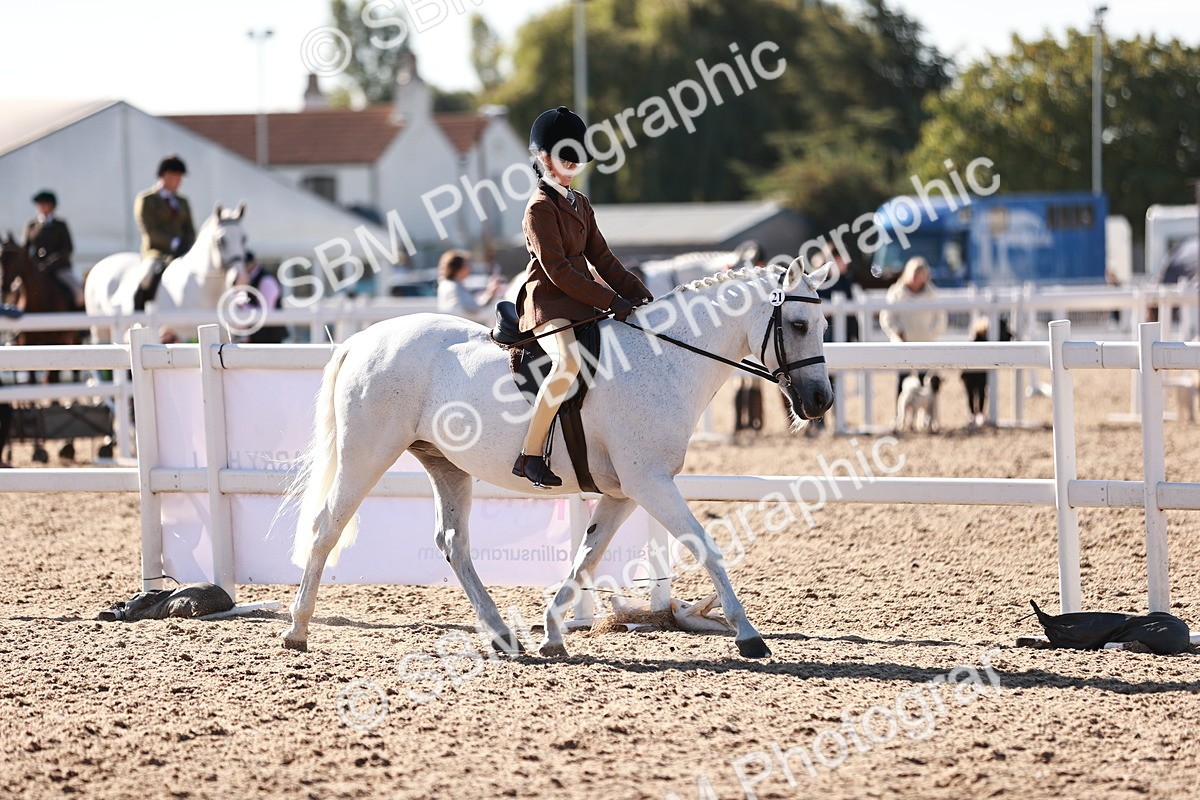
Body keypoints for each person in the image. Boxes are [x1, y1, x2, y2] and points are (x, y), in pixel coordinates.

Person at [512, 106, 653, 488]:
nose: (572, 165)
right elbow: (558, 270)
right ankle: (530, 453)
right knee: (569, 363)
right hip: (548, 303)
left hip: (579, 300)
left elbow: (603, 259)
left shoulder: (580, 204)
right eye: (564, 158)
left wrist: (643, 297)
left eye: (576, 159)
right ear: (543, 159)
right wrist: (610, 302)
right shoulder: (539, 208)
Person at [132, 155, 196, 311]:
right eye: (176, 177)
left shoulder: (183, 202)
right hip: (156, 252)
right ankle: (139, 311)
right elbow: (149, 230)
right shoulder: (147, 199)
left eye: (180, 178)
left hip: (183, 252)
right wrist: (174, 243)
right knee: (146, 277)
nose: (179, 181)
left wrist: (188, 245)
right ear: (166, 175)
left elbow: (190, 229)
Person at [879, 256, 947, 395]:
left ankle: (925, 415)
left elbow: (941, 318)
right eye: (914, 275)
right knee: (903, 381)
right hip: (903, 344)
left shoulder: (931, 294)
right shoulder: (896, 292)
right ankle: (900, 414)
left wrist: (930, 333)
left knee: (924, 381)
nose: (917, 279)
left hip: (926, 344)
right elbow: (887, 316)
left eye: (920, 275)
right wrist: (898, 332)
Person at [23, 190, 82, 307]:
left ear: (52, 206)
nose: (41, 207)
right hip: (36, 269)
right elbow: (25, 248)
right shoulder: (31, 225)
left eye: (44, 204)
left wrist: (51, 263)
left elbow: (67, 248)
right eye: (39, 205)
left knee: (79, 293)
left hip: (59, 268)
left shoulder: (60, 225)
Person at [436, 249, 504, 325]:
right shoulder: (454, 286)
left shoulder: (447, 284)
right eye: (466, 265)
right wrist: (490, 293)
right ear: (458, 268)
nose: (469, 269)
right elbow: (473, 309)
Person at [235, 251, 287, 344]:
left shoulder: (266, 280)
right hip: (256, 336)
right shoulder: (250, 280)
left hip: (268, 337)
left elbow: (266, 311)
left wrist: (242, 306)